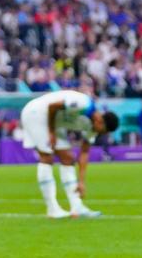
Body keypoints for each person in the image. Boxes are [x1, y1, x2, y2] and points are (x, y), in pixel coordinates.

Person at [19, 90, 119, 218]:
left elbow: (84, 152)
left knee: (68, 159)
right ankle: (52, 209)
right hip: (37, 113)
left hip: (54, 122)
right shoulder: (83, 104)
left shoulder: (94, 127)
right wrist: (51, 132)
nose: (100, 134)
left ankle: (77, 207)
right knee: (46, 156)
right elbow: (53, 106)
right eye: (102, 131)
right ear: (100, 121)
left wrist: (81, 182)